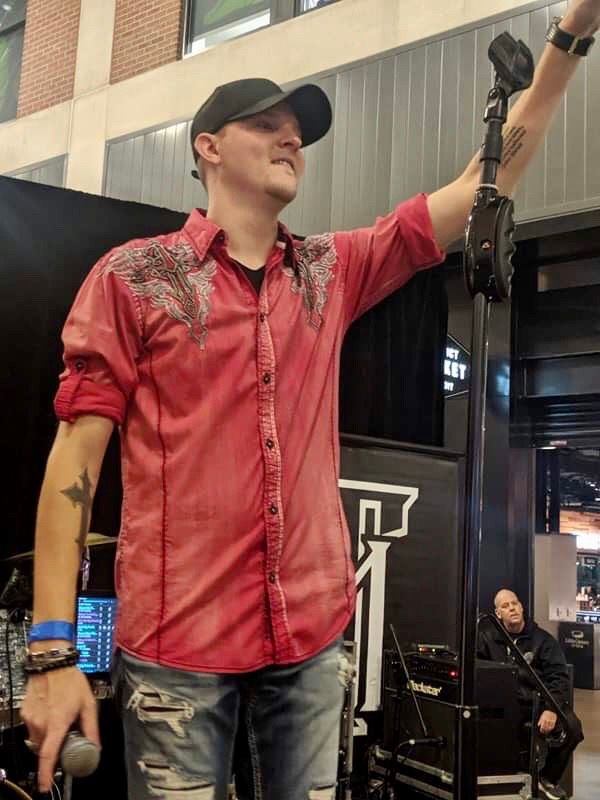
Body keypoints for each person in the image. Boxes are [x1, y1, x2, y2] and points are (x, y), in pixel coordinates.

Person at [21, 3, 600, 798]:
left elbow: (481, 185)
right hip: (176, 650)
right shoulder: (135, 279)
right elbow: (73, 467)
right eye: (268, 125)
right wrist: (52, 653)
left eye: (297, 132)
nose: (292, 139)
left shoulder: (330, 271)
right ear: (208, 146)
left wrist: (570, 36)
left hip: (311, 643)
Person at [478, 589, 584, 800]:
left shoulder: (543, 640)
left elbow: (559, 677)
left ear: (521, 607)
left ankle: (547, 778)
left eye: (515, 603)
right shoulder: (486, 638)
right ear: (497, 613)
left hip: (537, 703)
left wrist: (551, 709)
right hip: (503, 705)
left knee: (573, 728)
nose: (512, 608)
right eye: (505, 606)